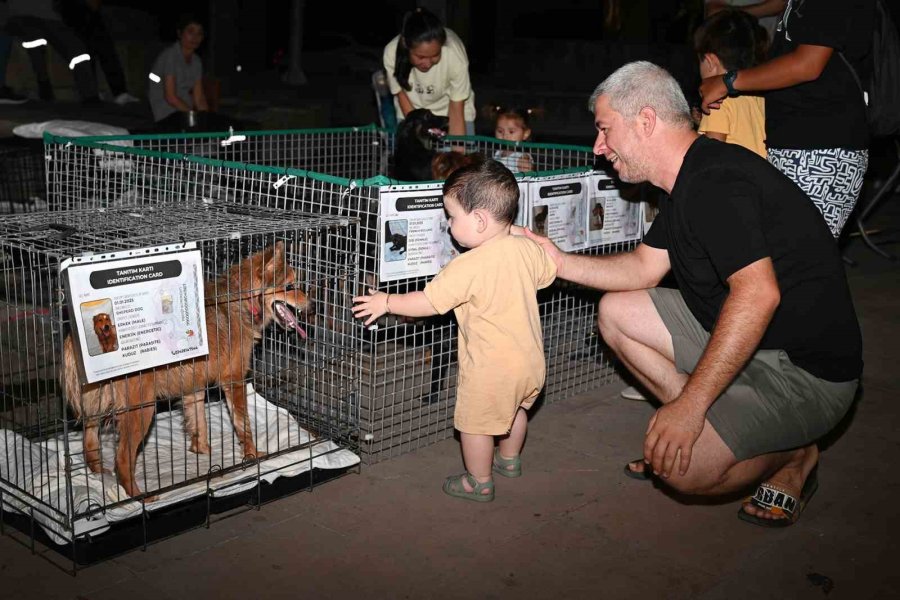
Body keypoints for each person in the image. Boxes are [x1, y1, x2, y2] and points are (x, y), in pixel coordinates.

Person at [523, 61, 861, 527]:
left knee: (686, 471)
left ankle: (794, 454)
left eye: (604, 130)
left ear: (645, 120)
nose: (599, 148)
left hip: (806, 373)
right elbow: (643, 267)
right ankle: (714, 422)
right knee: (618, 312)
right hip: (756, 343)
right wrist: (556, 261)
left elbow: (758, 296)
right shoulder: (689, 177)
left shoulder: (714, 184)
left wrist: (689, 406)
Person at [353, 160, 557, 502]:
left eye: (452, 216)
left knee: (474, 425)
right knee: (516, 411)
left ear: (478, 220)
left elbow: (429, 302)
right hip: (531, 363)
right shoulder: (525, 250)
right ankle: (509, 460)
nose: (448, 224)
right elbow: (549, 269)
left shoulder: (467, 266)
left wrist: (386, 302)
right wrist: (519, 232)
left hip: (490, 369)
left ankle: (479, 481)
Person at [700, 0, 876, 238]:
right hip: (799, 145)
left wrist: (728, 81)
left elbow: (808, 65)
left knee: (801, 259)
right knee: (787, 259)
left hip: (821, 148)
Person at [382, 7, 476, 137]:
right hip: (411, 111)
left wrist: (457, 153)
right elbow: (401, 95)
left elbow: (456, 107)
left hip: (453, 112)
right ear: (406, 45)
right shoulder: (391, 53)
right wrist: (421, 134)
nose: (427, 63)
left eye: (435, 55)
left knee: (458, 155)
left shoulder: (454, 54)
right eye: (421, 57)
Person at [694, 9, 768, 157]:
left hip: (735, 179)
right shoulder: (761, 94)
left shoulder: (715, 102)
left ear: (710, 62)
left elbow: (712, 159)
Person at [4, 0, 100, 102]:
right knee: (35, 41)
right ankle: (44, 86)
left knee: (78, 51)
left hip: (51, 19)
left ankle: (90, 95)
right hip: (22, 16)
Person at [58, 0, 139, 105]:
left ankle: (100, 92)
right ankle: (113, 93)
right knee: (102, 52)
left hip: (77, 13)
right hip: (80, 12)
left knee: (95, 52)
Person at [148, 13, 209, 130]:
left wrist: (206, 118)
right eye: (191, 32)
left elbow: (199, 97)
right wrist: (193, 116)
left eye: (199, 33)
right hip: (166, 112)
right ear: (180, 33)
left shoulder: (196, 61)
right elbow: (170, 97)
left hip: (185, 111)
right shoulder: (170, 56)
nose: (195, 37)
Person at [492, 106, 535, 172]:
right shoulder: (498, 153)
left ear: (525, 134)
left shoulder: (523, 159)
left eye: (511, 132)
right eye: (500, 131)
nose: (505, 136)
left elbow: (529, 180)